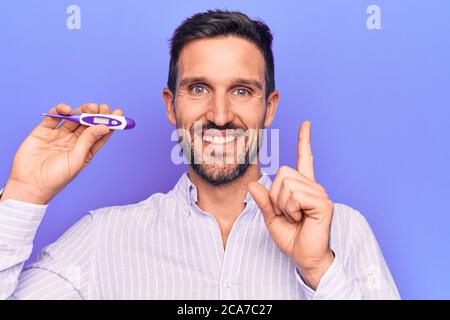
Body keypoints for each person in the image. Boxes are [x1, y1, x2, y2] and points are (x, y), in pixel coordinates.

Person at [0, 10, 399, 299]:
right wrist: (23, 193)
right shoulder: (102, 239)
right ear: (171, 105)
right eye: (199, 89)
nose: (220, 116)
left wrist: (317, 270)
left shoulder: (344, 232)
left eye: (241, 91)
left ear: (270, 106)